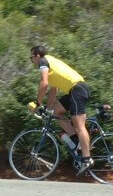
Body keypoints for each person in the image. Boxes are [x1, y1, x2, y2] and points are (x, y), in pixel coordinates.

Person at [30, 45, 93, 176]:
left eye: (31, 58)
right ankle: (77, 141)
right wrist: (47, 109)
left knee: (79, 125)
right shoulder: (50, 64)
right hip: (74, 90)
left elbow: (44, 84)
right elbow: (53, 90)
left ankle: (87, 159)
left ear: (37, 56)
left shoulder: (43, 61)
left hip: (77, 89)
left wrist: (37, 103)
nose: (32, 61)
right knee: (55, 112)